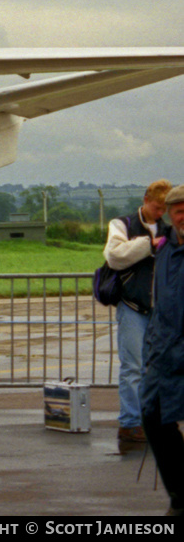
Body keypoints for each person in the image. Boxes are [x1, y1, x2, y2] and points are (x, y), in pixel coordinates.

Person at [106, 179, 171, 447]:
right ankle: (130, 424)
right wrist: (150, 245)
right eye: (157, 208)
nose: (160, 214)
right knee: (132, 367)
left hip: (162, 310)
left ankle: (153, 422)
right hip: (132, 307)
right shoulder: (121, 224)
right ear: (146, 199)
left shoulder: (172, 228)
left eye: (164, 209)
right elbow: (115, 256)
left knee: (157, 368)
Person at [142, 185, 184, 515]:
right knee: (152, 415)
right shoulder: (166, 249)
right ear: (169, 213)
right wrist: (153, 346)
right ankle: (180, 495)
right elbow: (160, 303)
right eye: (178, 209)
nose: (183, 215)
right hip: (164, 353)